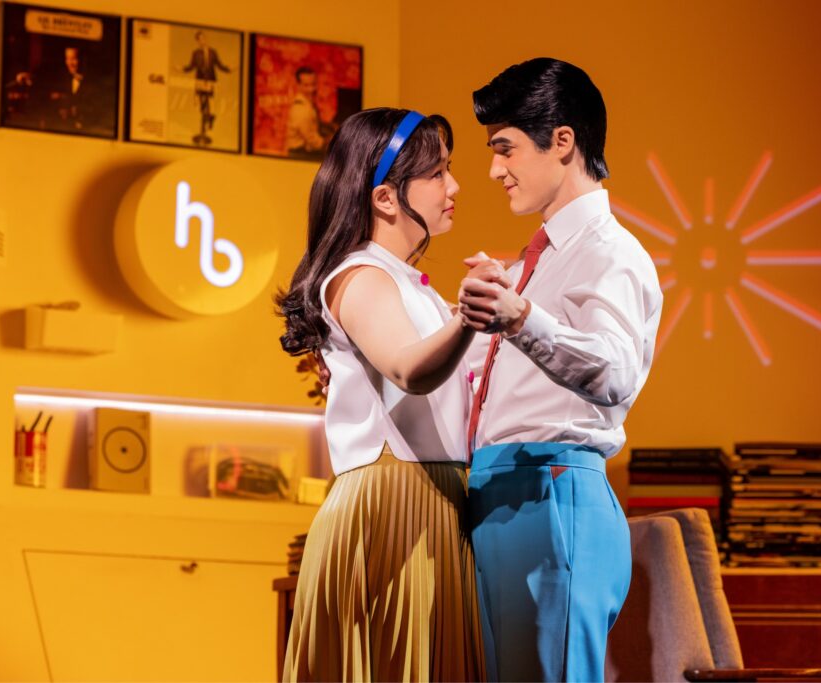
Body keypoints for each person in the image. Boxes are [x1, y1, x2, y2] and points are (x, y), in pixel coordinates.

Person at [458, 57, 664, 682]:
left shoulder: (611, 252)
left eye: (506, 149)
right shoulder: (531, 263)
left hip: (551, 491)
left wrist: (521, 317)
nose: (494, 170)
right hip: (501, 493)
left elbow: (615, 372)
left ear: (563, 141)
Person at [276, 108, 486, 681]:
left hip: (431, 494)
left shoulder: (405, 283)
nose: (454, 187)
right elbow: (408, 369)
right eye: (438, 173)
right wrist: (471, 314)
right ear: (386, 198)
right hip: (396, 499)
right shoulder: (362, 276)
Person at [182, 31, 231, 141]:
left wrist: (228, 69)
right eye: (200, 39)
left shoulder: (213, 52)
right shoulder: (195, 53)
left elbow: (219, 65)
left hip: (210, 81)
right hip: (200, 81)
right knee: (202, 104)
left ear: (206, 39)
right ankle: (207, 124)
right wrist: (182, 69)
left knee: (207, 103)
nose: (202, 41)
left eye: (203, 38)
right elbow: (191, 66)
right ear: (197, 41)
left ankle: (206, 125)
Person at [285, 66, 331, 160]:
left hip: (305, 151)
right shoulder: (301, 109)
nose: (311, 89)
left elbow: (313, 126)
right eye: (306, 85)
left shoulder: (308, 104)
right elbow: (313, 141)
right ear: (298, 85)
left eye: (313, 84)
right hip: (300, 154)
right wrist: (329, 140)